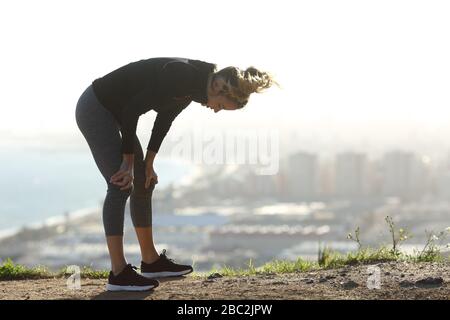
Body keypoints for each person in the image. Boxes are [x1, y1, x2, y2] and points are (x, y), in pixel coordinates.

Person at [75, 57, 277, 291]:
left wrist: (148, 162)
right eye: (220, 105)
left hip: (117, 112)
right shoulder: (182, 76)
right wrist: (128, 162)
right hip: (96, 108)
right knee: (121, 184)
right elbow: (131, 111)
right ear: (219, 86)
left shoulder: (197, 84)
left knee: (144, 182)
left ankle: (150, 261)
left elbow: (164, 119)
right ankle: (118, 274)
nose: (215, 110)